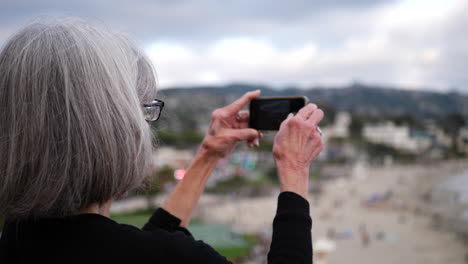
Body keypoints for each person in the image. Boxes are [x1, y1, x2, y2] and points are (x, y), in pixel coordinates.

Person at [0, 19, 324, 264]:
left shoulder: (16, 235)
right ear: (113, 128)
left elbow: (131, 245)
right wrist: (294, 172)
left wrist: (207, 156)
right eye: (143, 111)